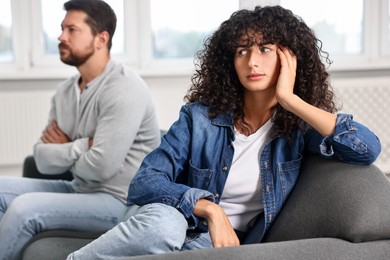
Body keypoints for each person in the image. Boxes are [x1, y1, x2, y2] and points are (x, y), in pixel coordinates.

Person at [67, 5, 381, 259]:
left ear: (289, 59)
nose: (252, 61)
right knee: (165, 226)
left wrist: (291, 99)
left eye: (265, 49)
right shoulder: (199, 118)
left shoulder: (297, 129)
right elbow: (144, 182)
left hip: (217, 246)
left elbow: (365, 148)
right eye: (242, 51)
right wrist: (211, 210)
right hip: (168, 220)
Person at [0, 0, 160, 259]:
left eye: (71, 30)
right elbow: (42, 158)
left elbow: (101, 167)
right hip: (80, 189)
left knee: (23, 209)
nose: (61, 36)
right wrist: (83, 145)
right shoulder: (64, 92)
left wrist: (65, 149)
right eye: (62, 28)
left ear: (101, 38)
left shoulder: (125, 88)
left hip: (121, 201)